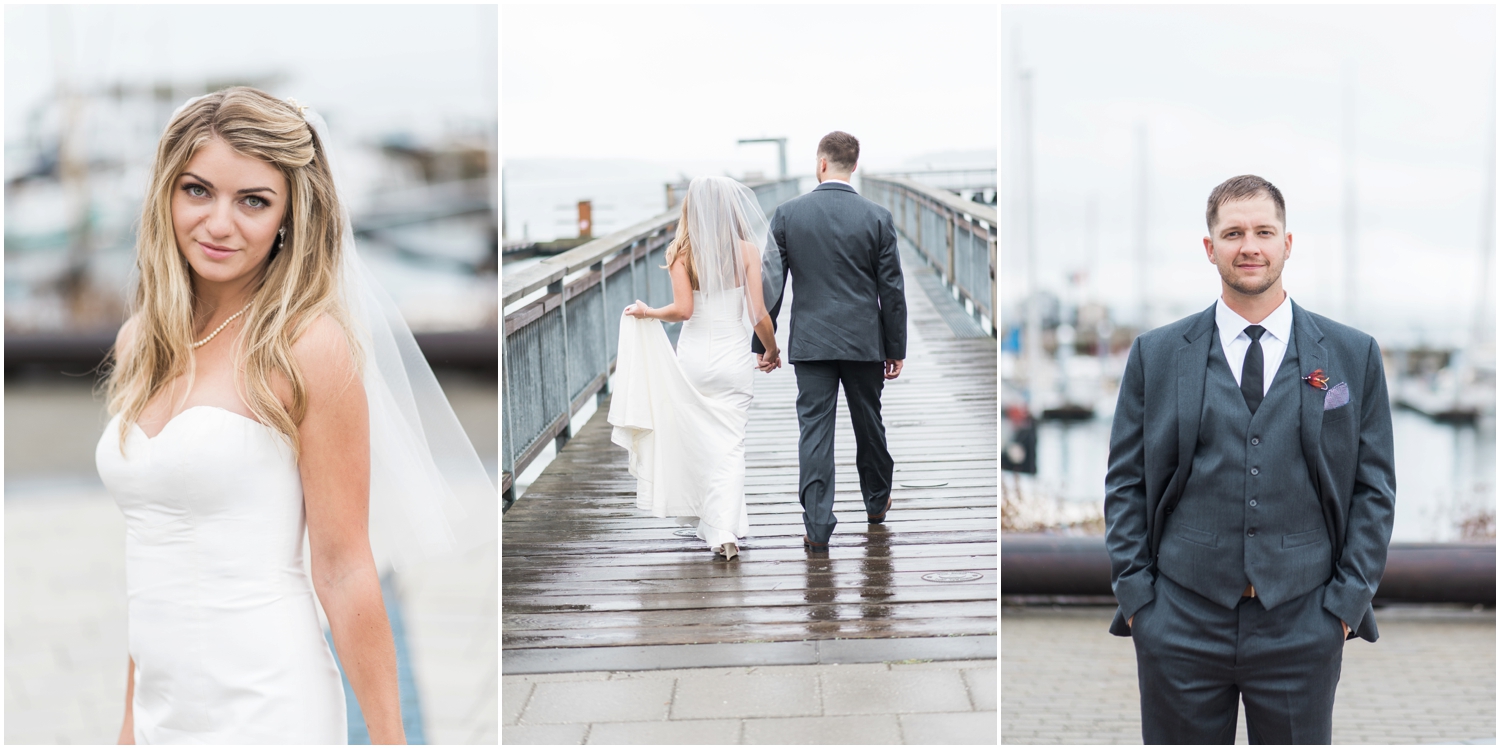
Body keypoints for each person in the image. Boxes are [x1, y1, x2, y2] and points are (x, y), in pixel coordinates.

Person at [97, 87, 494, 744]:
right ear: (166, 193)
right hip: (164, 707)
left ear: (287, 215)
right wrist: (128, 727)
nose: (219, 222)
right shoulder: (142, 341)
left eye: (252, 200)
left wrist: (391, 738)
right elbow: (154, 555)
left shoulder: (309, 348)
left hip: (268, 701)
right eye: (198, 190)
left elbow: (344, 566)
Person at [1104, 174, 1396, 744]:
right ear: (1210, 248)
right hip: (1180, 619)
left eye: (1264, 231)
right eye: (1233, 232)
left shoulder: (1352, 355)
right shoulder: (1157, 354)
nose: (1250, 246)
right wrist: (1140, 602)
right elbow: (1125, 483)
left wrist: (1343, 606)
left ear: (1288, 243)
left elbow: (1374, 488)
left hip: (1304, 620)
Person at [608, 176, 781, 560]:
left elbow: (683, 311)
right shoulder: (748, 251)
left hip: (694, 361)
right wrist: (770, 349)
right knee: (731, 446)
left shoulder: (680, 253)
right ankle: (724, 531)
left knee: (701, 441)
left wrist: (648, 312)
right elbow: (757, 314)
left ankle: (716, 524)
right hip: (733, 358)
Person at [755, 131, 907, 551]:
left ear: (821, 163)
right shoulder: (877, 217)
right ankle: (876, 502)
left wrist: (762, 344)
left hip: (811, 342)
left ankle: (818, 526)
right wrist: (896, 348)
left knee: (815, 432)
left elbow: (772, 283)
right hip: (865, 342)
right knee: (868, 423)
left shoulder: (787, 215)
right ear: (853, 166)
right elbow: (891, 290)